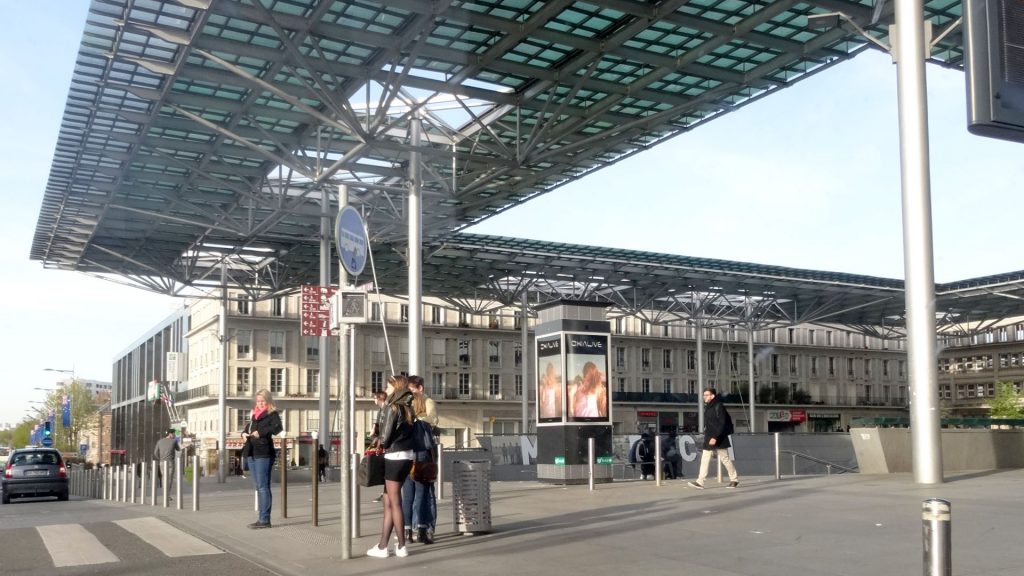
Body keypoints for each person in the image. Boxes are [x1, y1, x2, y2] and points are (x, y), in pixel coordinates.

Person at [367, 375, 416, 559]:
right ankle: (382, 546)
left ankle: (402, 545)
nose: (385, 389)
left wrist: (375, 439)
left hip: (394, 456)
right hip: (407, 456)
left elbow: (386, 438)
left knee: (394, 502)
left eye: (388, 386)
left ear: (395, 388)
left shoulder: (392, 407)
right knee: (388, 501)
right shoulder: (408, 408)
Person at [402, 375, 438, 545]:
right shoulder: (423, 410)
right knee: (422, 495)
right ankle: (422, 531)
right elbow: (433, 421)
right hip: (422, 453)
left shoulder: (406, 411)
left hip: (407, 454)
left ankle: (408, 531)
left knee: (408, 496)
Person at [242, 389, 283, 528]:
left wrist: (261, 432)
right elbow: (247, 428)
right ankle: (261, 517)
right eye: (258, 401)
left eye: (262, 401)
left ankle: (265, 519)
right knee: (258, 487)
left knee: (263, 487)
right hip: (252, 452)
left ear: (268, 401)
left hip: (263, 453)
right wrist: (243, 434)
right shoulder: (255, 415)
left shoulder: (272, 414)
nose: (259, 403)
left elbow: (277, 428)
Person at [688, 388, 739, 490]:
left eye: (706, 395)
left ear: (712, 396)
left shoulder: (718, 406)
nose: (704, 397)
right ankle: (700, 481)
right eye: (704, 395)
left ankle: (734, 479)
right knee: (705, 458)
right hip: (709, 436)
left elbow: (722, 423)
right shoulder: (708, 407)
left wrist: (715, 437)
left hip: (718, 437)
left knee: (725, 459)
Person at [369, 390, 388, 503]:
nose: (374, 400)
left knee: (386, 468)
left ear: (380, 398)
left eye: (375, 398)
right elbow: (378, 424)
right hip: (381, 440)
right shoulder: (381, 410)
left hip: (384, 442)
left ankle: (386, 492)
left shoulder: (386, 409)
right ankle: (385, 492)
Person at [153, 429, 180, 496]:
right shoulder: (174, 441)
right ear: (170, 434)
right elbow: (178, 449)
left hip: (162, 462)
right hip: (170, 462)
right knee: (169, 478)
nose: (174, 435)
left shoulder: (159, 441)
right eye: (173, 433)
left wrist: (160, 459)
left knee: (164, 477)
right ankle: (167, 494)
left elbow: (155, 453)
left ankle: (165, 494)